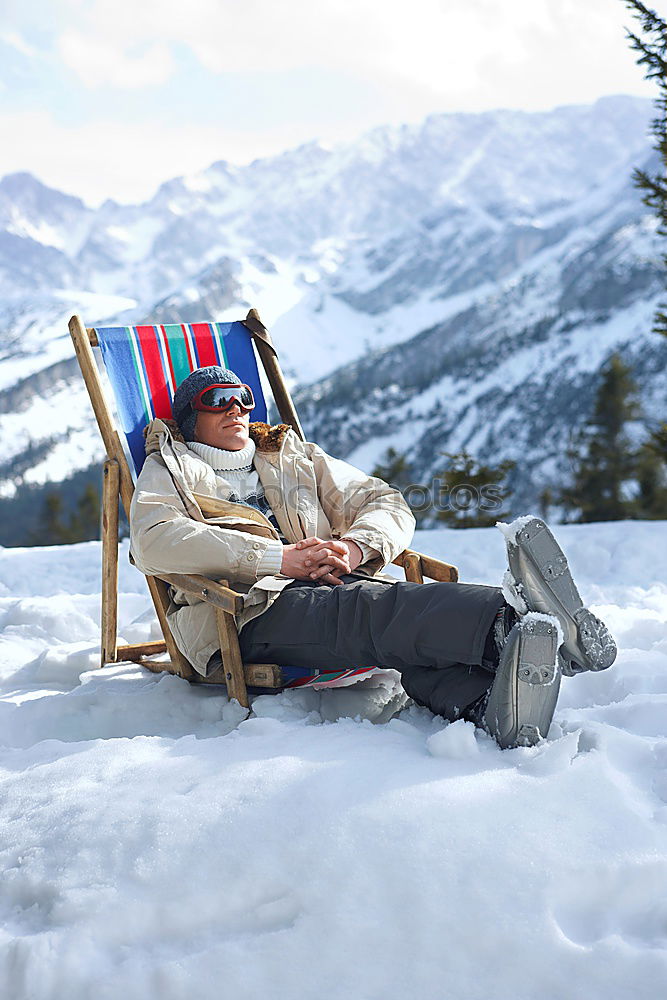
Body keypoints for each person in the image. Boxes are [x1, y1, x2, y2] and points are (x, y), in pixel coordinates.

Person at [129, 366, 617, 749]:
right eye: (216, 400)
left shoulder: (291, 455)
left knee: (394, 628)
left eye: (243, 398)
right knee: (375, 612)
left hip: (325, 589)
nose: (235, 407)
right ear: (190, 418)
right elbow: (153, 540)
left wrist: (355, 546)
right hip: (243, 614)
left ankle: (487, 705)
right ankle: (515, 622)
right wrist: (277, 560)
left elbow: (386, 501)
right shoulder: (169, 468)